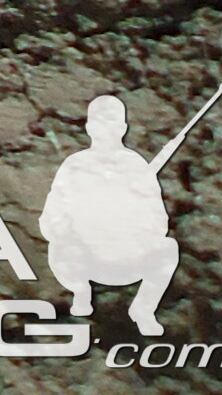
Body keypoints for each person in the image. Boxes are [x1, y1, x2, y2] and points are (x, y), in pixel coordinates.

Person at [41, 95, 184, 336]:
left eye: (112, 122)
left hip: (127, 258)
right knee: (61, 247)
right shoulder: (74, 165)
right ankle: (81, 292)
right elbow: (51, 216)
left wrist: (130, 216)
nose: (105, 128)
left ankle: (144, 309)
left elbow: (159, 220)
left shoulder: (136, 167)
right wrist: (76, 225)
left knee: (168, 248)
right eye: (99, 122)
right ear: (89, 127)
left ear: (122, 128)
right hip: (84, 259)